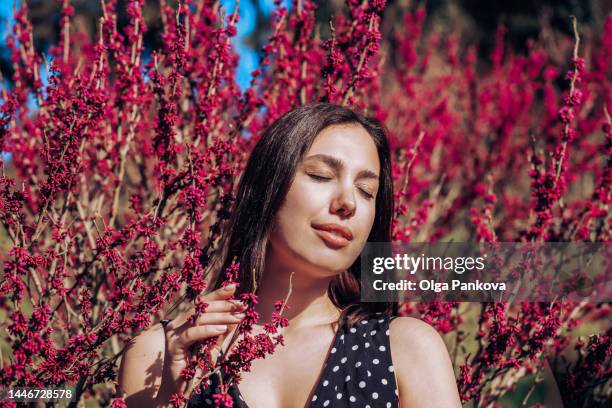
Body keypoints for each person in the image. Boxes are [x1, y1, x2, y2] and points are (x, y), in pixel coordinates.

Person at [118, 103, 462, 407]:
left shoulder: (404, 350)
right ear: (267, 187)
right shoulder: (159, 354)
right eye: (320, 175)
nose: (348, 203)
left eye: (366, 190)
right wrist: (172, 399)